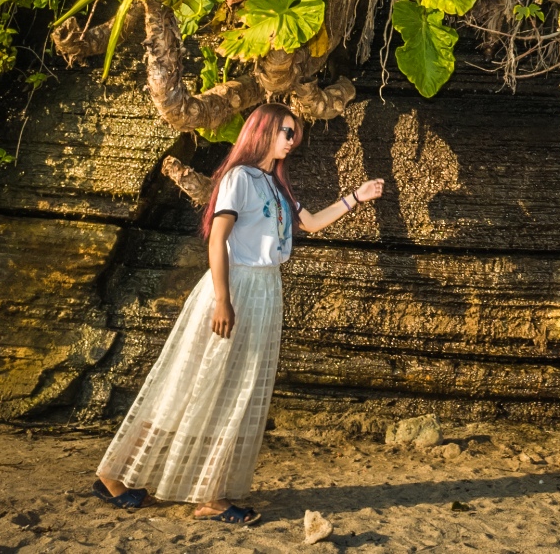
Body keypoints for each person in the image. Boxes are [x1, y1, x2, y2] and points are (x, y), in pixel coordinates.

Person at [89, 102, 384, 525]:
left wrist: (357, 196)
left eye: (294, 133)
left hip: (265, 289)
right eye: (286, 131)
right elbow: (216, 239)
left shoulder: (275, 183)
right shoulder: (239, 178)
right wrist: (223, 299)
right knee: (189, 382)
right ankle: (113, 475)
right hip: (235, 286)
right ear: (262, 131)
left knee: (240, 390)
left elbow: (314, 223)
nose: (292, 139)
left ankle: (210, 493)